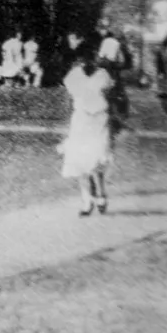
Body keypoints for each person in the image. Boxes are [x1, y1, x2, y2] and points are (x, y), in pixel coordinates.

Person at [58, 43, 115, 216]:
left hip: (99, 120)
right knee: (79, 160)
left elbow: (109, 98)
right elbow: (69, 101)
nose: (89, 62)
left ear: (96, 57)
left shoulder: (103, 75)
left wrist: (112, 122)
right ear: (80, 60)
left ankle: (100, 193)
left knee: (96, 159)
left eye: (92, 57)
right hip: (81, 121)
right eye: (84, 58)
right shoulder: (73, 76)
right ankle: (86, 200)